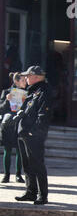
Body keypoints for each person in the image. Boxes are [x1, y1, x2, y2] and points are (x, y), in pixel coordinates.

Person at [14, 66, 52, 205]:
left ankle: (42, 195)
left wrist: (34, 131)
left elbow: (43, 114)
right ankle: (31, 192)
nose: (26, 78)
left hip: (33, 134)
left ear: (36, 77)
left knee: (37, 164)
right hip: (24, 132)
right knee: (27, 164)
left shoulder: (44, 91)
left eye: (28, 76)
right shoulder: (32, 90)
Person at [0, 72, 26, 183]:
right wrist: (7, 100)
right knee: (7, 149)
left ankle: (18, 174)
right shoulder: (6, 92)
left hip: (20, 123)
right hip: (9, 124)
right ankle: (6, 175)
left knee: (20, 150)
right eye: (23, 80)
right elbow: (1, 108)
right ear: (16, 81)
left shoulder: (27, 93)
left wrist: (26, 103)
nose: (25, 82)